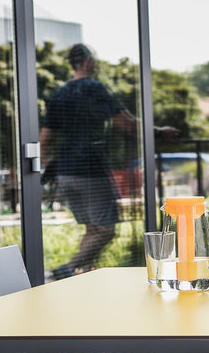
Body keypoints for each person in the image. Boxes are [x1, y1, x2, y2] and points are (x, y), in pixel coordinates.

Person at [40, 43, 176, 277]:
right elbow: (128, 124)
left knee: (92, 230)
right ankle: (64, 271)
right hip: (90, 171)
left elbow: (44, 139)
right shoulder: (94, 89)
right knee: (105, 230)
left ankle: (78, 274)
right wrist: (160, 132)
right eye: (94, 59)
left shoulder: (58, 94)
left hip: (65, 173)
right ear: (86, 62)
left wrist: (49, 166)